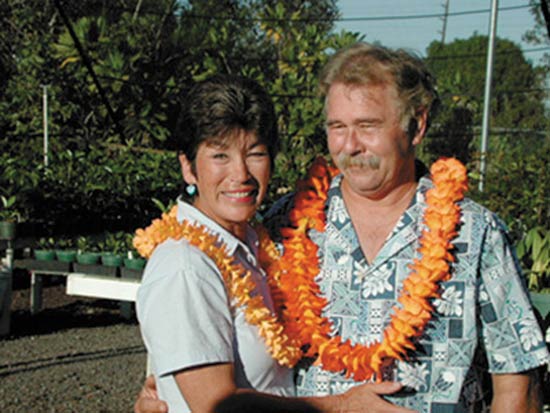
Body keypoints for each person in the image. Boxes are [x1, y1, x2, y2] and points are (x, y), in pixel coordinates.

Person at [135, 44, 550, 413]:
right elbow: (207, 364)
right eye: (337, 127)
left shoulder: (475, 234)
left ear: (417, 125)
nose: (350, 146)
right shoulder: (285, 225)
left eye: (367, 126)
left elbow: (518, 381)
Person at [134, 73, 412, 413]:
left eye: (255, 154)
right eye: (220, 156)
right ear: (188, 168)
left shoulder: (258, 245)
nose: (240, 174)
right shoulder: (185, 265)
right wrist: (341, 407)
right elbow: (216, 406)